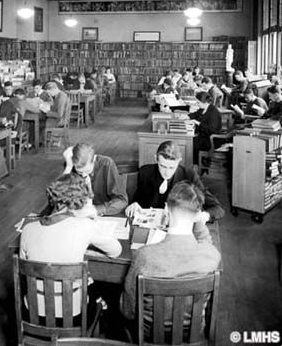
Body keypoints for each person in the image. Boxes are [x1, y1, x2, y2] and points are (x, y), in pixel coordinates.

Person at [121, 181, 221, 333]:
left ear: (166, 210)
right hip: (191, 333)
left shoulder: (144, 256)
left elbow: (128, 311)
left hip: (150, 333)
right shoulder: (211, 255)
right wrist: (199, 222)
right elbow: (206, 243)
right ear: (197, 216)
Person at [20, 172, 122, 317]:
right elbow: (116, 251)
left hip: (33, 311)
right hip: (72, 315)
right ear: (79, 202)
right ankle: (99, 306)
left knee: (86, 279)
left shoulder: (27, 229)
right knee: (93, 287)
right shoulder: (84, 226)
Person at [125, 141, 224, 222]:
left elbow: (217, 209)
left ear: (179, 161)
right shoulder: (145, 172)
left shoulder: (189, 175)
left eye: (172, 167)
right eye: (163, 166)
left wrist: (203, 216)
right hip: (149, 226)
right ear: (156, 159)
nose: (167, 173)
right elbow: (137, 200)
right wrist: (134, 205)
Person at [63, 143, 128, 216]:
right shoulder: (71, 166)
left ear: (93, 160)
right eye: (80, 172)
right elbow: (59, 198)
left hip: (104, 217)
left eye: (87, 171)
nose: (84, 175)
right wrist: (68, 168)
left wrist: (96, 210)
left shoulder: (106, 164)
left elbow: (122, 201)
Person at [189, 91, 222, 164]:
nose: (197, 104)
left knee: (190, 143)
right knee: (191, 141)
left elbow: (212, 130)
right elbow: (196, 114)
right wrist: (187, 116)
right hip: (203, 136)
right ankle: (193, 164)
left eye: (198, 102)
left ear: (205, 102)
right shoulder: (203, 108)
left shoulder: (213, 112)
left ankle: (196, 165)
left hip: (211, 139)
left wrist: (197, 122)